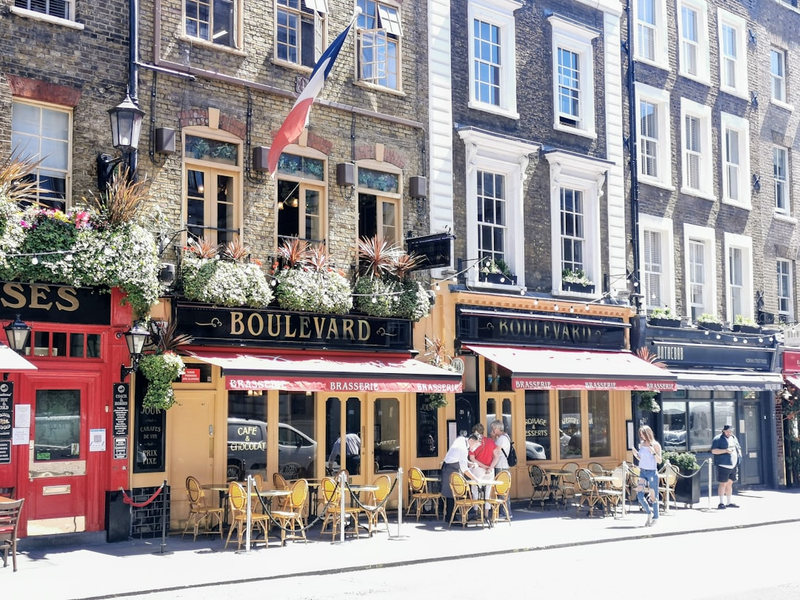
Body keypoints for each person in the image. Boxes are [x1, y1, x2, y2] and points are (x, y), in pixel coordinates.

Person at [441, 433, 482, 522]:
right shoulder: (463, 449)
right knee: (452, 494)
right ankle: (451, 518)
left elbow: (460, 459)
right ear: (471, 441)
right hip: (450, 469)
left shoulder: (461, 439)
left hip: (449, 467)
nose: (475, 448)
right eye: (475, 445)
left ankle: (450, 517)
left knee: (452, 494)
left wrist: (470, 463)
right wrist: (476, 479)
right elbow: (464, 469)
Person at [632, 425, 662, 527]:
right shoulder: (641, 444)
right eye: (640, 434)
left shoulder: (655, 445)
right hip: (643, 471)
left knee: (653, 496)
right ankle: (649, 512)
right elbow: (641, 459)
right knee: (639, 494)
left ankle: (656, 517)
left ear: (648, 434)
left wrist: (653, 453)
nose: (641, 436)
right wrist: (636, 454)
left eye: (643, 434)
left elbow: (659, 460)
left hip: (652, 472)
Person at [711, 424, 742, 509]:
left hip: (733, 464)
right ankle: (721, 502)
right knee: (723, 483)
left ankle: (729, 502)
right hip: (723, 464)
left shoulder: (734, 438)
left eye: (730, 431)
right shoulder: (718, 439)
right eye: (727, 431)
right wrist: (725, 450)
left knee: (730, 483)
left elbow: (737, 447)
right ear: (723, 431)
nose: (729, 433)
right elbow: (714, 451)